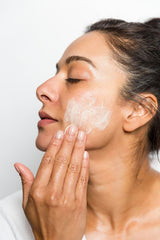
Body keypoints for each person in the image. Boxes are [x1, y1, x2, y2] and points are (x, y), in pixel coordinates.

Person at [0, 17, 160, 240]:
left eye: (74, 78)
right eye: (56, 73)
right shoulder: (9, 220)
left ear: (138, 110)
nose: (42, 89)